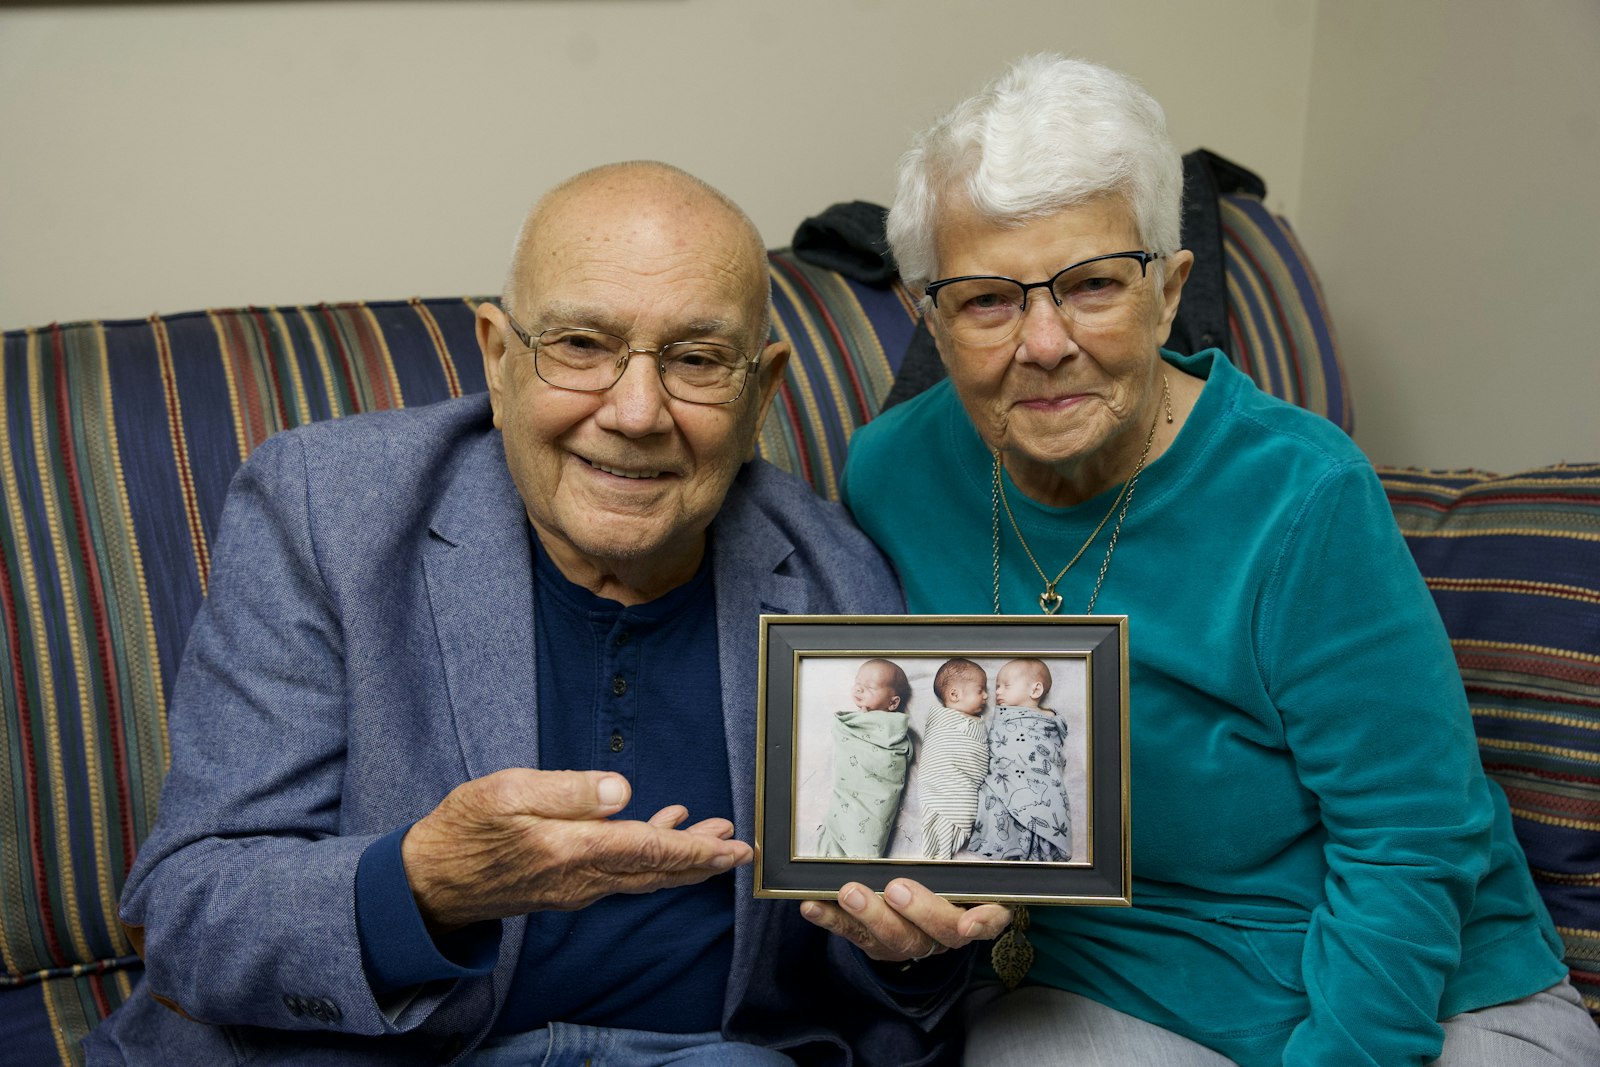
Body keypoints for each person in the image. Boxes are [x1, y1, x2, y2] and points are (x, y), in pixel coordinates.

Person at [85, 161, 1012, 1066]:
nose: (638, 410)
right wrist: (425, 885)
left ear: (762, 390)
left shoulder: (842, 579)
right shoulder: (326, 512)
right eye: (581, 346)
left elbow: (874, 965)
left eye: (697, 359)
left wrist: (911, 955)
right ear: (498, 356)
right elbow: (190, 910)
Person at [841, 55, 1600, 1067]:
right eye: (986, 300)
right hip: (1107, 980)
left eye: (1093, 285)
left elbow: (1410, 837)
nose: (1045, 340)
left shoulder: (1302, 492)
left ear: (1168, 289)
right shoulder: (889, 472)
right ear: (927, 314)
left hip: (1415, 981)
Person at [965, 658, 1071, 863]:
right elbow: (996, 746)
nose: (997, 692)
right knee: (997, 809)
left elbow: (1053, 753)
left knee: (1043, 805)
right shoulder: (1003, 717)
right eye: (997, 687)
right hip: (1004, 777)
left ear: (1035, 690)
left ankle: (1041, 843)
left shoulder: (1047, 720)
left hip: (1041, 780)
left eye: (1006, 686)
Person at [816, 659, 913, 858]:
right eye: (857, 683)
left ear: (893, 703)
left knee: (863, 845)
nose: (859, 689)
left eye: (869, 687)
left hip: (873, 803)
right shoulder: (851, 724)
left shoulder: (893, 730)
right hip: (847, 795)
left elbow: (900, 758)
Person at [918, 658, 990, 860]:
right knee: (943, 818)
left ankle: (941, 854)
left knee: (959, 816)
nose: (986, 696)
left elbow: (975, 759)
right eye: (980, 690)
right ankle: (938, 854)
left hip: (963, 784)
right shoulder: (941, 721)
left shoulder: (976, 723)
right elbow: (937, 757)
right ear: (954, 694)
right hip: (940, 784)